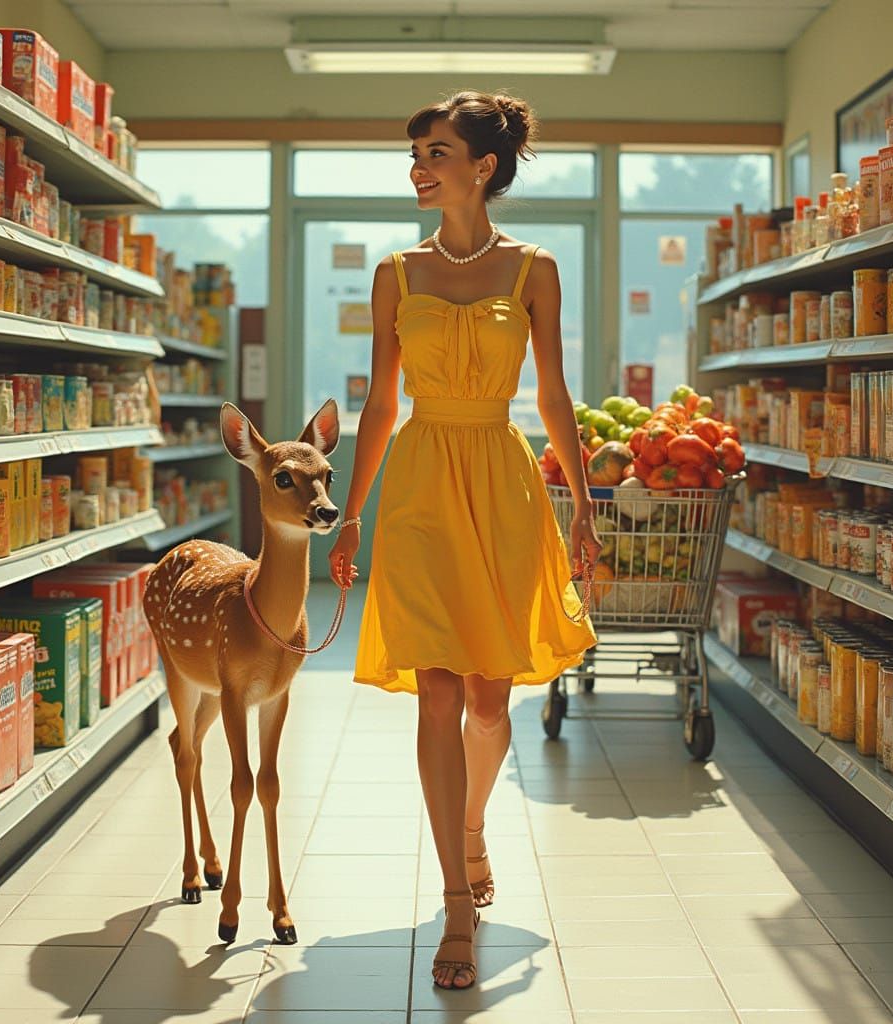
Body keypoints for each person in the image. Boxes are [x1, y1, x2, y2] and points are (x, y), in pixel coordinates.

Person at [327, 90, 599, 990]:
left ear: (482, 167)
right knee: (434, 691)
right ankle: (454, 901)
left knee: (490, 698)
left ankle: (474, 825)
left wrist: (586, 501)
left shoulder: (535, 270)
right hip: (418, 486)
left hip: (504, 477)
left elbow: (554, 396)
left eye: (436, 150)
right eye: (416, 151)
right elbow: (378, 403)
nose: (419, 165)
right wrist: (354, 509)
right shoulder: (395, 273)